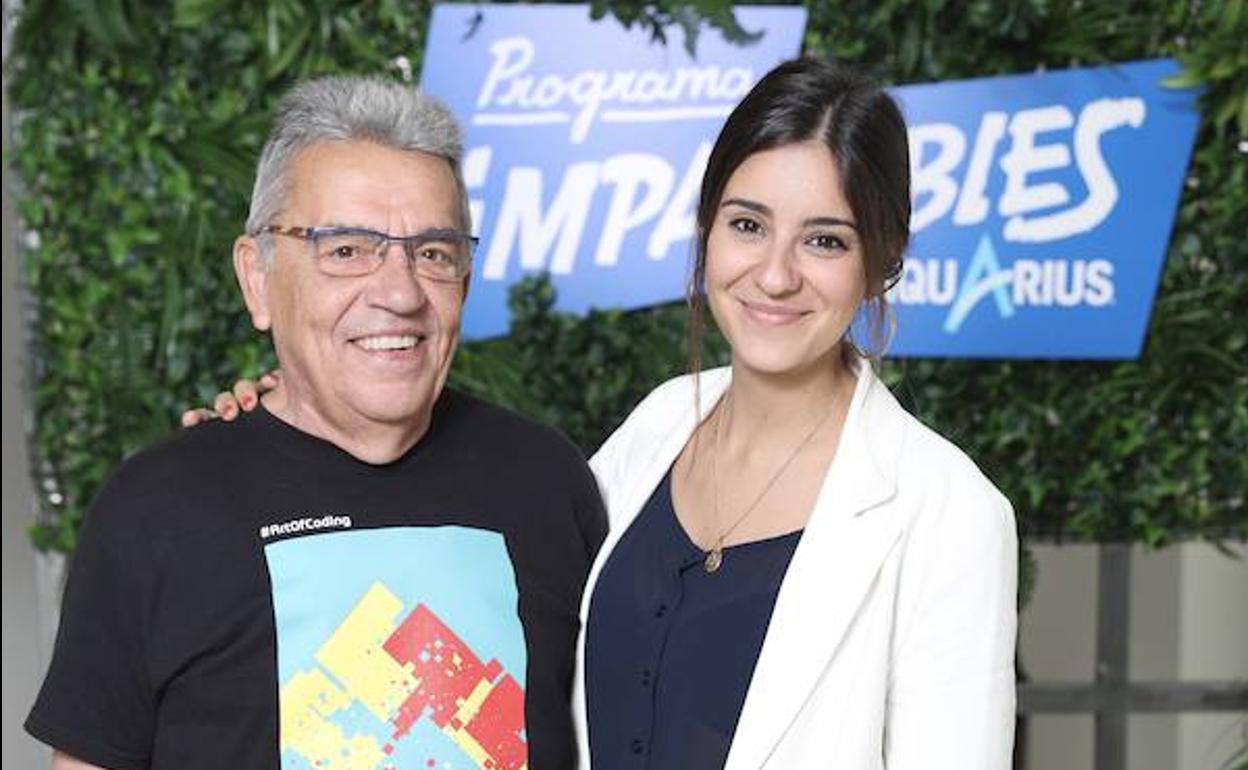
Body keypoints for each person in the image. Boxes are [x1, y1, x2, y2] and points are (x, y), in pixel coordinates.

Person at [194, 58, 1018, 769]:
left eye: (825, 240)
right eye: (748, 225)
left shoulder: (949, 516)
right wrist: (283, 433)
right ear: (708, 231)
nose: (774, 275)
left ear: (883, 260)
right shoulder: (657, 430)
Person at [26, 75, 606, 770]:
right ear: (258, 278)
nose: (399, 292)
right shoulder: (156, 509)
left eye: (432, 253)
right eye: (347, 249)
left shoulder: (548, 480)